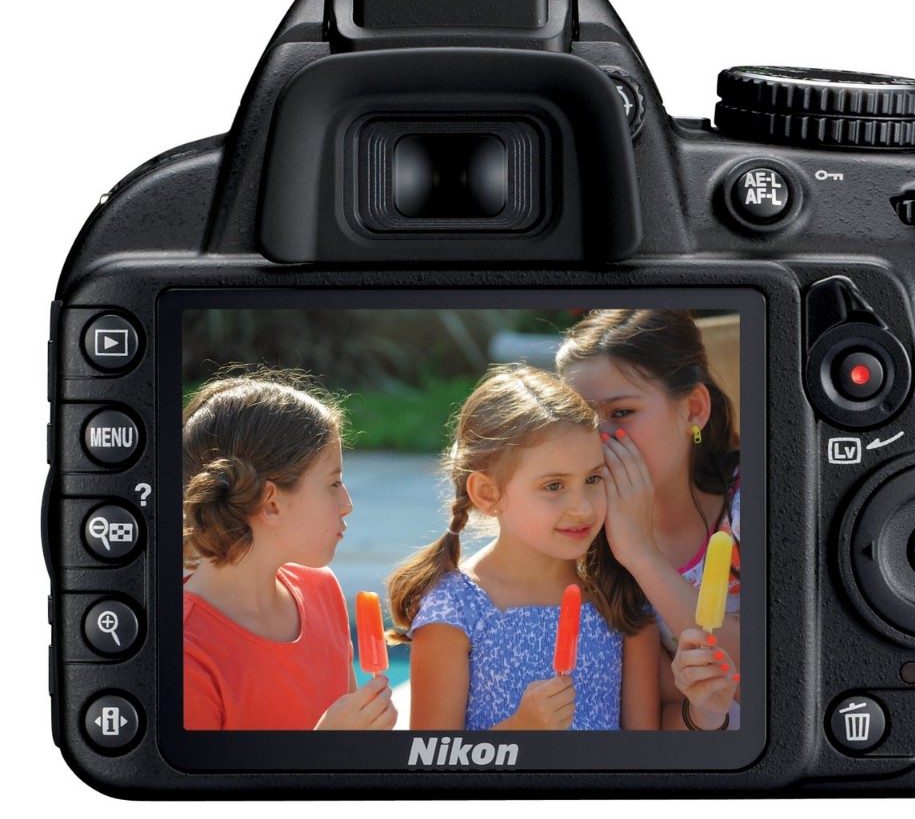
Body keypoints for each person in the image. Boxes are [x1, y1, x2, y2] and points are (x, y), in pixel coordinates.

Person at [387, 364, 660, 731]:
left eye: (593, 478)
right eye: (554, 486)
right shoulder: (454, 609)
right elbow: (434, 757)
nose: (582, 507)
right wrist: (521, 727)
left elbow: (644, 751)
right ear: (487, 493)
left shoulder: (620, 597)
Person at [557, 310, 741, 731]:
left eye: (621, 412)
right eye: (581, 417)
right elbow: (656, 717)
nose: (599, 436)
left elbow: (774, 675)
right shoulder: (579, 529)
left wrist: (640, 554)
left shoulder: (758, 501)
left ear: (693, 409)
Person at [182, 372, 397, 731]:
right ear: (271, 504)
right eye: (333, 483)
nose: (347, 504)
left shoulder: (322, 590)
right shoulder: (186, 651)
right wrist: (324, 747)